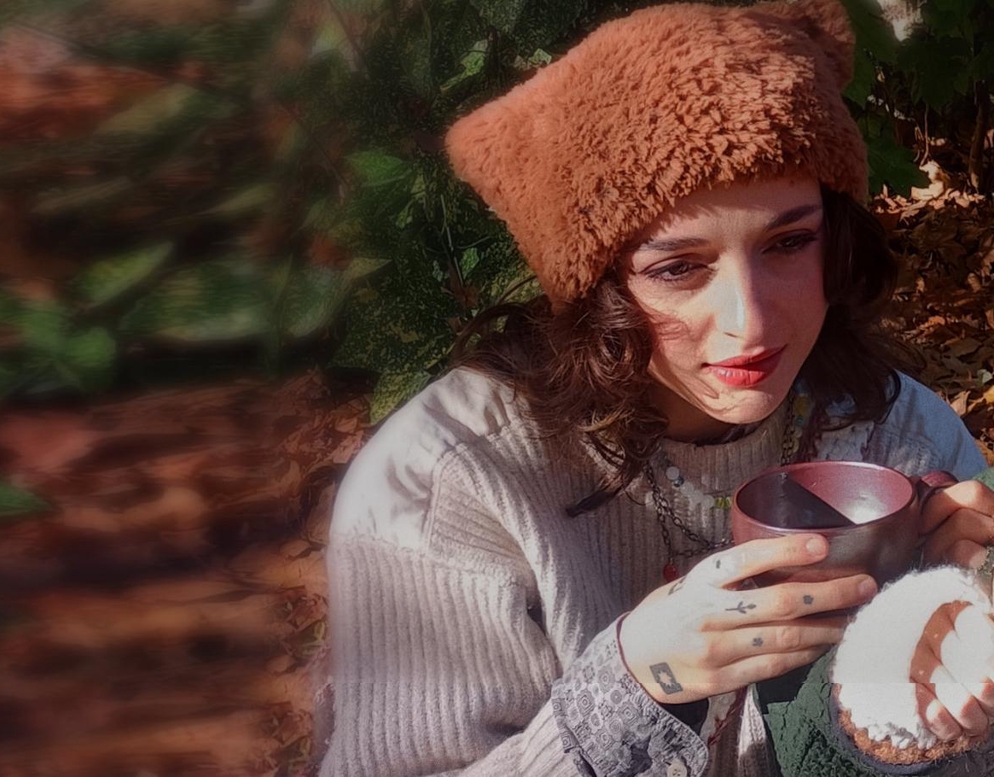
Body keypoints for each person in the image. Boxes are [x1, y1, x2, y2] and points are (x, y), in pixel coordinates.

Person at [317, 1, 994, 775]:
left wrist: (944, 655)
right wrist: (634, 686)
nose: (750, 323)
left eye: (788, 242)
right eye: (678, 267)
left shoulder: (900, 436)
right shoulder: (446, 487)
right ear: (596, 282)